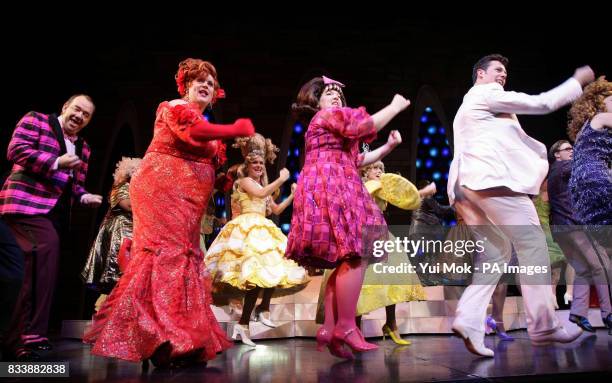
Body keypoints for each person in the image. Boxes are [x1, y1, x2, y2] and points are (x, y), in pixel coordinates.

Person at [83, 58, 255, 367]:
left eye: (211, 83)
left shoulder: (207, 128)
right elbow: (193, 133)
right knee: (168, 257)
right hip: (162, 191)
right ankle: (166, 340)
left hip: (189, 201)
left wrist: (225, 178)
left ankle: (181, 338)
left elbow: (205, 163)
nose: (205, 85)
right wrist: (232, 128)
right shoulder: (174, 106)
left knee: (185, 258)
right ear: (186, 86)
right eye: (199, 80)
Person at [447, 53, 594, 357]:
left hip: (466, 188)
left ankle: (469, 321)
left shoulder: (465, 108)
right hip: (491, 181)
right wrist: (577, 82)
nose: (502, 76)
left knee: (496, 254)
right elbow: (542, 104)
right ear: (481, 75)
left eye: (505, 72)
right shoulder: (487, 95)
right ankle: (543, 325)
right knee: (532, 243)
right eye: (497, 70)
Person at [286, 75, 411, 359]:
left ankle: (330, 328)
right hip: (334, 185)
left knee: (345, 258)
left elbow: (356, 160)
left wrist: (387, 148)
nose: (336, 98)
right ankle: (345, 326)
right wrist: (394, 107)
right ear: (315, 101)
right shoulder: (328, 116)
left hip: (332, 181)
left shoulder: (326, 128)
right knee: (357, 253)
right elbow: (364, 125)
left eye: (339, 95)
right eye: (329, 93)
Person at [0, 94, 102, 360]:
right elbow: (16, 150)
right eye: (77, 110)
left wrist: (83, 196)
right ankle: (23, 335)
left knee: (37, 270)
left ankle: (30, 334)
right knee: (37, 263)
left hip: (54, 213)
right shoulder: (36, 120)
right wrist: (55, 161)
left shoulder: (84, 148)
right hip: (25, 205)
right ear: (65, 106)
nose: (79, 117)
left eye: (86, 115)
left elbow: (74, 184)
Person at [205, 133, 309, 346]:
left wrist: (292, 195)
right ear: (247, 165)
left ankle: (262, 309)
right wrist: (280, 179)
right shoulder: (243, 181)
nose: (260, 166)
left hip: (262, 227)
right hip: (246, 230)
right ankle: (244, 323)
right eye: (255, 163)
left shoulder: (263, 187)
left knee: (274, 267)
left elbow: (275, 208)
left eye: (262, 162)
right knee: (254, 276)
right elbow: (260, 194)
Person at [566, 77, 612, 334]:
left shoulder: (587, 129)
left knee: (599, 256)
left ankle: (587, 312)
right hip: (596, 183)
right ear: (599, 102)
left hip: (584, 189)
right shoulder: (601, 119)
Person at [81, 157, 141, 310]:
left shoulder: (138, 189)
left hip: (134, 229)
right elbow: (127, 205)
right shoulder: (122, 187)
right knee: (117, 265)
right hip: (120, 230)